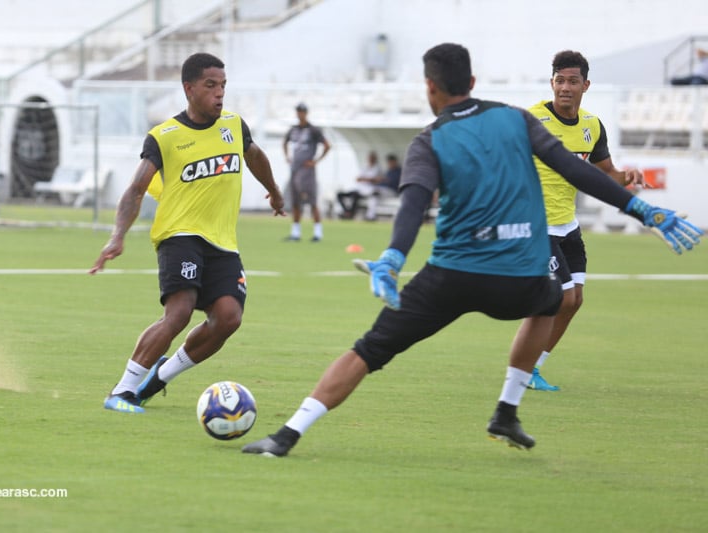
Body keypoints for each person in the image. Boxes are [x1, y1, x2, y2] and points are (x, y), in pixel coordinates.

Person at [241, 42, 702, 456]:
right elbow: (575, 169)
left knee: (368, 350)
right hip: (516, 273)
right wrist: (644, 211)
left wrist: (393, 259)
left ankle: (287, 435)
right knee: (553, 301)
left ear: (429, 87)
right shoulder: (515, 119)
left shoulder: (429, 140)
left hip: (449, 276)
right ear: (474, 83)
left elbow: (413, 206)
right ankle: (506, 408)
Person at [90, 52, 286, 414]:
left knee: (228, 318)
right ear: (189, 88)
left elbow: (254, 156)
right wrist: (117, 236)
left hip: (222, 242)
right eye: (211, 86)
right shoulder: (164, 137)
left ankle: (159, 377)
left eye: (223, 86)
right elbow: (135, 190)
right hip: (179, 234)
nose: (219, 93)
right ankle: (121, 390)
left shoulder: (234, 126)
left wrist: (273, 190)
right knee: (178, 313)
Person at [526, 50, 647, 391]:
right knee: (561, 298)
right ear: (551, 83)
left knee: (574, 302)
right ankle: (521, 367)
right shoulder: (532, 120)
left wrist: (628, 176)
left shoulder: (592, 127)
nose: (565, 87)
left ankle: (533, 368)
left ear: (586, 85)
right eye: (559, 80)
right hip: (538, 227)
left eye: (572, 81)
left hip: (568, 226)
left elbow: (607, 174)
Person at [283, 102, 331, 241]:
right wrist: (287, 157)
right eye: (298, 111)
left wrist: (316, 160)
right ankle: (295, 232)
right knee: (295, 201)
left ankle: (317, 232)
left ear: (306, 113)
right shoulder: (293, 129)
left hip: (307, 170)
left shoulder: (313, 130)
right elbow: (284, 142)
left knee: (312, 199)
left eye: (302, 111)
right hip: (295, 169)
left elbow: (327, 145)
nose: (300, 114)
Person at [336, 150, 382, 220]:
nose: (370, 159)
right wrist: (367, 179)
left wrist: (364, 179)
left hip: (368, 190)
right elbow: (357, 179)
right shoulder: (364, 167)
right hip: (358, 189)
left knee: (355, 196)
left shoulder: (377, 169)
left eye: (372, 158)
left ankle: (350, 214)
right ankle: (347, 211)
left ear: (375, 159)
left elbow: (374, 180)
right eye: (369, 158)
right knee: (340, 194)